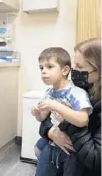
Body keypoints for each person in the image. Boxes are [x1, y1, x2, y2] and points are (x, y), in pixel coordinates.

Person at [39, 38, 101, 176]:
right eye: (75, 66)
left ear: (99, 70)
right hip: (63, 147)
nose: (74, 71)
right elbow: (48, 119)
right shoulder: (81, 87)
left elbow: (97, 161)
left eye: (80, 67)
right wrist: (51, 133)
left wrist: (67, 120)